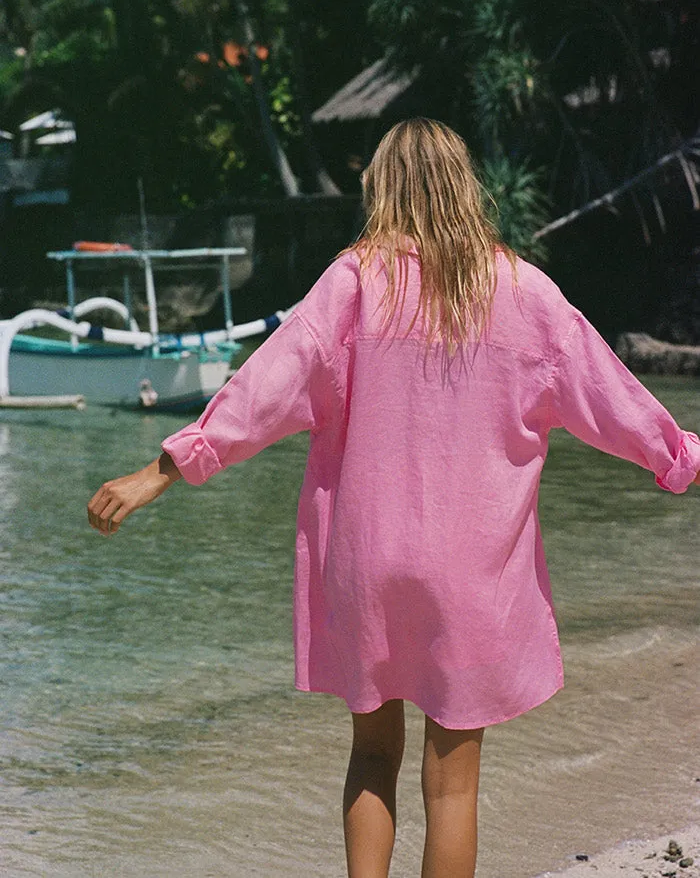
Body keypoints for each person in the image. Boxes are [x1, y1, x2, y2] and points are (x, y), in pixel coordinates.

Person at [88, 118, 700, 878]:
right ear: (466, 186)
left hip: (365, 564)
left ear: (384, 187)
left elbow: (264, 389)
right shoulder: (524, 292)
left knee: (372, 756)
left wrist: (162, 469)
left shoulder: (352, 282)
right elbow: (612, 397)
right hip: (472, 577)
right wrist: (681, 457)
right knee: (452, 787)